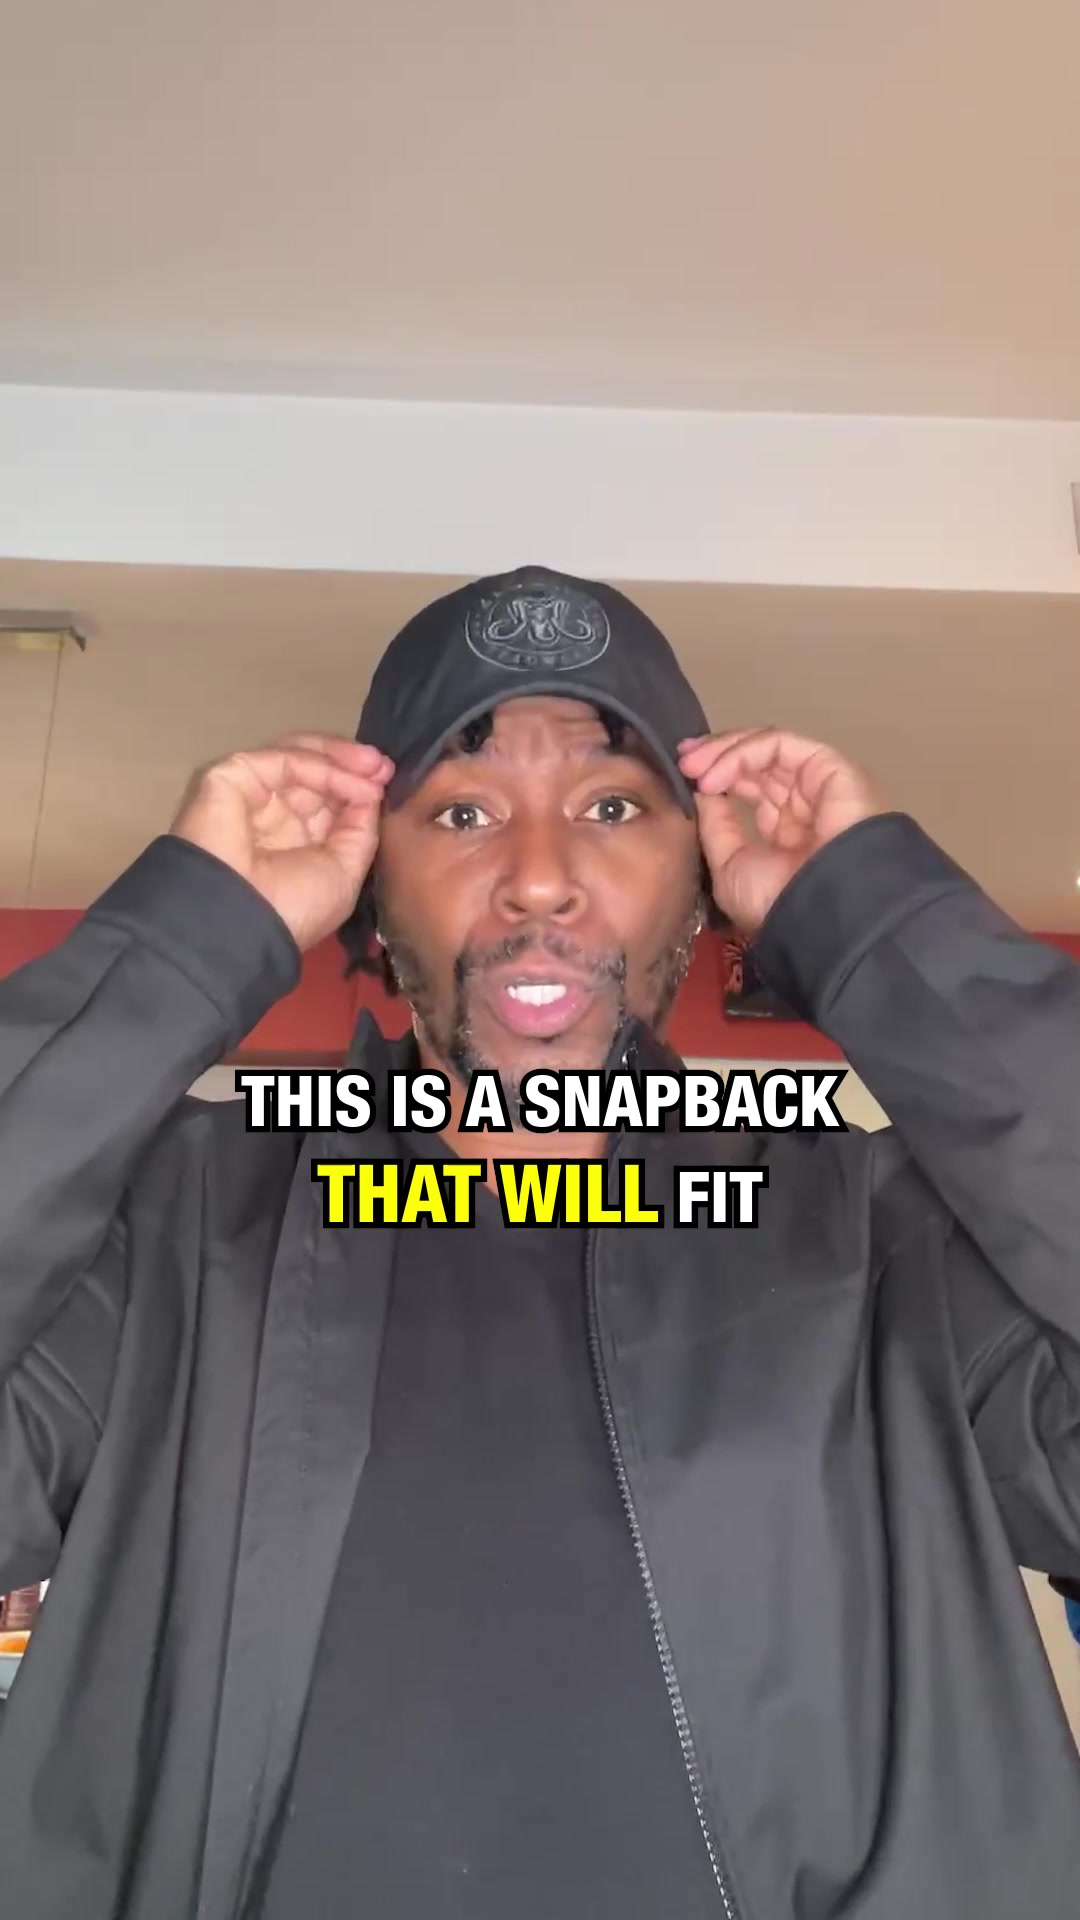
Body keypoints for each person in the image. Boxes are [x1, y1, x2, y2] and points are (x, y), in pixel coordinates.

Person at [0, 564, 1078, 1920]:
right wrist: (183, 941)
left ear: (700, 879)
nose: (540, 881)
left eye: (614, 807)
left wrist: (879, 916)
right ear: (371, 884)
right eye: (461, 812)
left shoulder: (878, 1237)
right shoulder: (175, 1223)